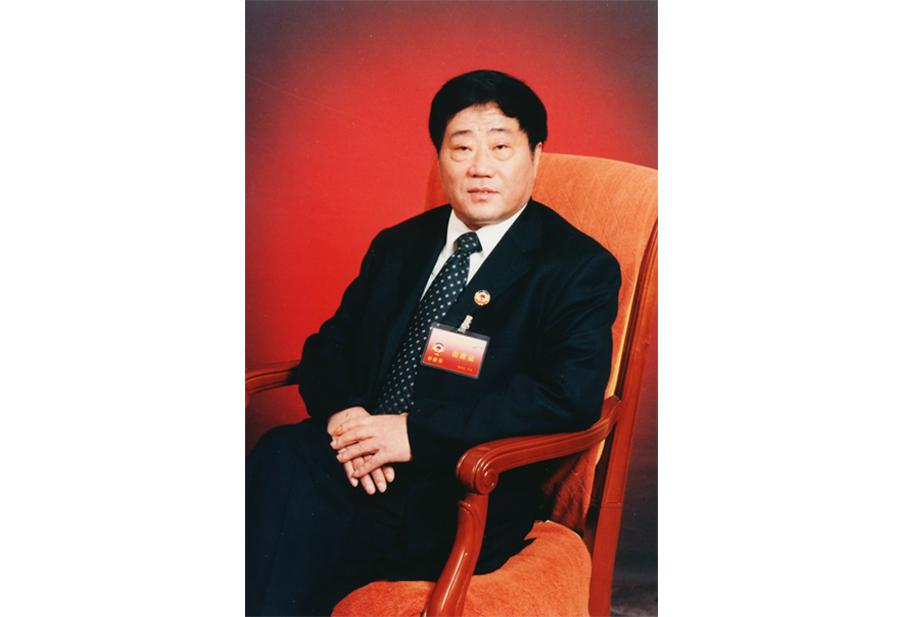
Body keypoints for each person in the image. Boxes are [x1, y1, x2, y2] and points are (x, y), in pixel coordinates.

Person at [246, 69, 621, 616]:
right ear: (439, 157)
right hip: (359, 459)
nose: (480, 167)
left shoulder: (576, 266)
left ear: (536, 155)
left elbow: (567, 396)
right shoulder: (400, 244)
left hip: (459, 485)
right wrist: (349, 421)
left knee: (289, 535)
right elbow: (329, 346)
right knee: (282, 457)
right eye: (461, 148)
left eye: (500, 147)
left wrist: (412, 435)